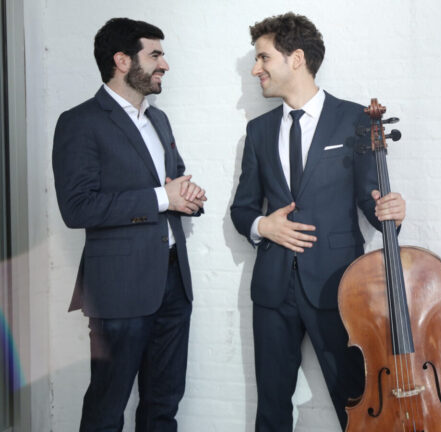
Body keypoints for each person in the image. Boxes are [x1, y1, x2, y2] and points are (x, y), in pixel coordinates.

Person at [230, 12, 406, 431]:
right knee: (271, 409)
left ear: (296, 59)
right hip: (273, 291)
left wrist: (391, 214)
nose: (256, 69)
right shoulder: (257, 132)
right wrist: (262, 226)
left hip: (338, 289)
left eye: (263, 58)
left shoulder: (356, 120)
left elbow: (372, 203)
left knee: (355, 403)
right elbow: (242, 208)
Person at [52, 17, 206, 431]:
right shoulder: (79, 122)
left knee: (163, 403)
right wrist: (162, 198)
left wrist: (187, 198)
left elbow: (172, 181)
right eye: (155, 54)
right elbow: (78, 208)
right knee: (107, 407)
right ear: (122, 60)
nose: (165, 65)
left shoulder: (158, 120)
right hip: (118, 289)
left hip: (173, 282)